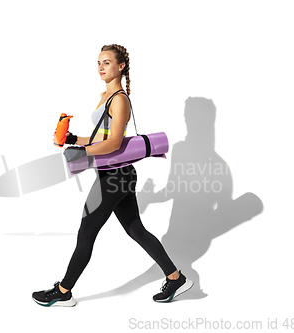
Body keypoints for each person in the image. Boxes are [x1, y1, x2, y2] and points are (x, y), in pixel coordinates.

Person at [32, 44, 193, 307]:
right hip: (117, 174)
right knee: (136, 230)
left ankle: (63, 291)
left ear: (121, 67)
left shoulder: (119, 99)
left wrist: (82, 153)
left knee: (86, 232)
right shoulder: (105, 96)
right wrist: (73, 139)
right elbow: (100, 137)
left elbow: (115, 143)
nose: (100, 67)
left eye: (106, 62)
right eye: (98, 62)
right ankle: (175, 278)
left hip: (115, 177)